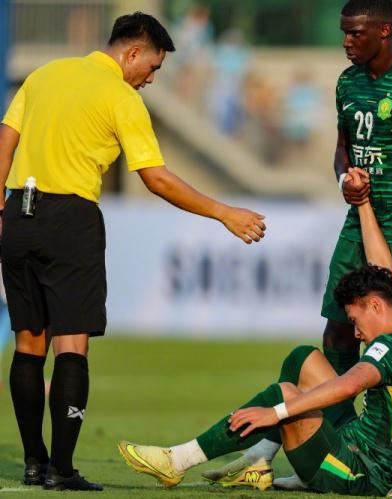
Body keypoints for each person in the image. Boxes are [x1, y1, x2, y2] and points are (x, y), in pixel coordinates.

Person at [196, 1, 392, 494]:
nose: (346, 41)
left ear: (384, 31)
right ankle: (337, 451)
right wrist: (346, 178)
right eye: (344, 32)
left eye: (356, 33)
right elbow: (343, 148)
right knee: (338, 331)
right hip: (359, 218)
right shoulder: (348, 83)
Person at [0, 12, 266, 491]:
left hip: (18, 213)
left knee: (28, 343)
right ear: (133, 52)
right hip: (70, 218)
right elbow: (156, 178)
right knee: (71, 347)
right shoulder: (120, 96)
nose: (151, 78)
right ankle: (61, 468)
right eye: (153, 67)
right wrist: (223, 212)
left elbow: (5, 142)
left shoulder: (44, 75)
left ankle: (34, 462)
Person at [118, 167, 392, 497]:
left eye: (355, 321)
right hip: (356, 442)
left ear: (374, 305)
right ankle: (258, 459)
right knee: (304, 359)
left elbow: (349, 385)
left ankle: (178, 460)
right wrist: (362, 202)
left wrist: (273, 414)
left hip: (358, 473)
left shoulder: (391, 349)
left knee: (285, 396)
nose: (356, 333)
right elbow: (382, 269)